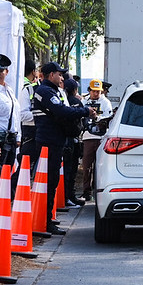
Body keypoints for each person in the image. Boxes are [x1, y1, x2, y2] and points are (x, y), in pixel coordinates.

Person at [31, 62, 95, 234]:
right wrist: (84, 111)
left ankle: (47, 219)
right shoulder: (45, 91)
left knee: (52, 182)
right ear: (51, 75)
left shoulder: (52, 91)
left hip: (54, 141)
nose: (61, 78)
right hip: (48, 142)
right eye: (59, 74)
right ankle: (45, 221)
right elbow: (61, 111)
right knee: (48, 183)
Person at [81, 78, 113, 201]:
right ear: (89, 90)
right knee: (87, 166)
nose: (96, 94)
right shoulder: (84, 101)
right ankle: (86, 191)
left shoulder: (106, 102)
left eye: (98, 91)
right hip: (87, 137)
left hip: (101, 138)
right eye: (94, 91)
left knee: (99, 167)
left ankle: (98, 191)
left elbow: (108, 117)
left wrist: (97, 117)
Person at [61, 77, 85, 208]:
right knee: (71, 170)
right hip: (73, 140)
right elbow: (83, 120)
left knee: (66, 170)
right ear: (75, 90)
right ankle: (69, 196)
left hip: (63, 139)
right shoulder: (76, 102)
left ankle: (67, 196)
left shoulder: (62, 101)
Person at [17, 58, 39, 163]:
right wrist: (40, 115)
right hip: (29, 131)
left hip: (29, 131)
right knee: (25, 164)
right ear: (33, 72)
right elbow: (22, 114)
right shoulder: (28, 88)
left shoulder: (21, 84)